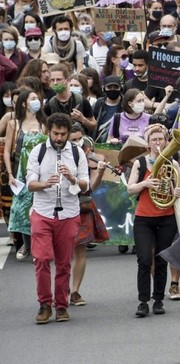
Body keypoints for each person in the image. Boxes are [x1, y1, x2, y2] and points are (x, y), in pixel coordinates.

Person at [27, 113, 90, 324]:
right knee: (42, 259)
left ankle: (61, 306)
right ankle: (45, 304)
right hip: (43, 212)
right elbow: (30, 184)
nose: (59, 138)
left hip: (69, 214)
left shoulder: (77, 152)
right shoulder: (38, 151)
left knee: (63, 263)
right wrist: (45, 184)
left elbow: (85, 184)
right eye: (56, 133)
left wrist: (72, 178)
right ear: (48, 131)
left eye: (63, 134)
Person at [126, 124, 180, 317]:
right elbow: (130, 188)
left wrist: (176, 191)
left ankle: (158, 300)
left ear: (166, 141)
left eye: (161, 139)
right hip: (144, 218)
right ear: (148, 143)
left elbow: (178, 191)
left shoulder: (172, 164)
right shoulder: (140, 163)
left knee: (161, 260)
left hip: (166, 217)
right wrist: (145, 183)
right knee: (143, 259)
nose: (158, 142)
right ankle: (143, 301)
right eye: (154, 140)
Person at [69, 126, 109, 306]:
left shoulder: (87, 155)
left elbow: (91, 187)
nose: (77, 143)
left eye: (79, 139)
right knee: (60, 253)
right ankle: (60, 290)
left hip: (82, 205)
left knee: (80, 250)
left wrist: (100, 171)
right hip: (60, 206)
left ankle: (75, 291)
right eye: (73, 139)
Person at [5, 90, 47, 261]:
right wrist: (10, 174)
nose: (37, 101)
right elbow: (7, 151)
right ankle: (26, 245)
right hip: (20, 173)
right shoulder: (14, 124)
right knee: (20, 210)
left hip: (39, 173)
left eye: (38, 98)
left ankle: (37, 248)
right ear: (24, 103)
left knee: (38, 209)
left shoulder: (43, 124)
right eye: (33, 99)